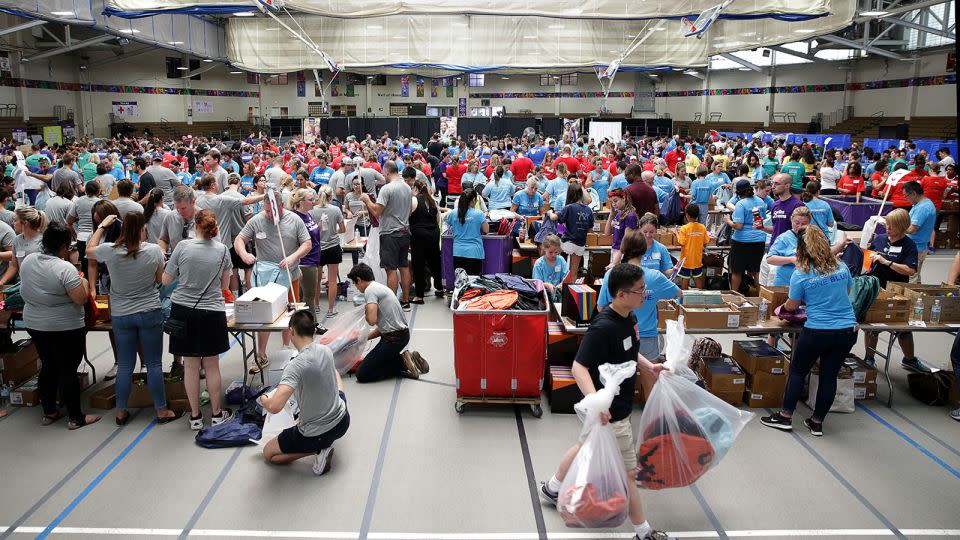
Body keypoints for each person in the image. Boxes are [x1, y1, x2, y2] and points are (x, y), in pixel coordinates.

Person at [539, 263, 670, 540]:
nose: (645, 294)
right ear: (621, 294)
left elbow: (629, 354)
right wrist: (596, 403)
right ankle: (643, 532)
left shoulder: (630, 319)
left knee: (582, 444)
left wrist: (649, 367)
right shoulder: (603, 327)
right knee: (630, 474)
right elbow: (578, 368)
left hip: (613, 409)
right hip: (610, 413)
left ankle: (552, 488)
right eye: (640, 290)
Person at [760, 226, 857, 437]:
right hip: (846, 330)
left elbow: (792, 306)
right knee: (829, 376)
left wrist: (785, 307)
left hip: (818, 330)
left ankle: (785, 416)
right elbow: (846, 292)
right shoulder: (841, 266)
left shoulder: (802, 273)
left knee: (798, 371)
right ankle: (817, 422)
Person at [88, 211, 180, 425]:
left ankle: (121, 411)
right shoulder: (154, 250)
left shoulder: (110, 251)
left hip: (121, 314)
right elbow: (160, 280)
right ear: (142, 228)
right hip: (149, 311)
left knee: (126, 365)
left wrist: (102, 226)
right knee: (154, 363)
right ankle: (161, 410)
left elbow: (89, 250)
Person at [21, 223, 100, 429]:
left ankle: (49, 412)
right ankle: (76, 417)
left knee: (47, 366)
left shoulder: (28, 261)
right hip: (64, 327)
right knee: (67, 370)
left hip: (35, 324)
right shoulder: (64, 268)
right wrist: (81, 279)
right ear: (65, 247)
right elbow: (81, 299)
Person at [162, 209, 233, 430]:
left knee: (191, 366)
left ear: (195, 226)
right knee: (212, 365)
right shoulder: (222, 251)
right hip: (212, 311)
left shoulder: (183, 247)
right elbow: (224, 286)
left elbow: (166, 280)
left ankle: (194, 417)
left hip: (184, 311)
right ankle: (217, 413)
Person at [259, 309, 349, 475]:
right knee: (336, 379)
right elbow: (330, 375)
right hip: (342, 421)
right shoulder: (326, 351)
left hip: (317, 432)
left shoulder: (295, 366)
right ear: (314, 330)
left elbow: (275, 407)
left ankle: (318, 450)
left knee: (269, 453)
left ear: (291, 331)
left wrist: (264, 399)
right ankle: (320, 438)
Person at [235, 190, 312, 373]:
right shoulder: (257, 219)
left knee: (288, 314)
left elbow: (307, 244)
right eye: (267, 211)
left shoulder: (294, 220)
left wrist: (293, 257)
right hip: (265, 277)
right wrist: (244, 253)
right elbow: (240, 239)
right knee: (264, 316)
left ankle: (286, 349)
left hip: (289, 274)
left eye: (273, 211)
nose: (269, 215)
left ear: (282, 206)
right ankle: (261, 354)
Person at [860, 209, 929, 371]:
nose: (887, 228)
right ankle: (869, 358)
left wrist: (887, 262)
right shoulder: (880, 239)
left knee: (902, 328)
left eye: (891, 226)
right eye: (887, 224)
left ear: (901, 226)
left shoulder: (909, 245)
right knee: (872, 327)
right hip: (876, 290)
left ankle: (909, 359)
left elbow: (910, 270)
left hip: (896, 292)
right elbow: (867, 261)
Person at [347, 263, 428, 382]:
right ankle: (407, 359)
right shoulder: (379, 287)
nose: (357, 288)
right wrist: (364, 338)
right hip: (399, 336)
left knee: (362, 374)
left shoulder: (370, 291)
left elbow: (372, 320)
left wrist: (366, 312)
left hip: (393, 340)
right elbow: (385, 327)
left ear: (359, 280)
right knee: (374, 362)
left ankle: (403, 363)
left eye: (355, 284)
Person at [358, 161, 413, 310]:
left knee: (391, 269)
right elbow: (408, 211)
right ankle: (406, 300)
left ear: (387, 172)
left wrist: (367, 199)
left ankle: (392, 303)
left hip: (390, 233)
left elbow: (376, 211)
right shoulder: (407, 187)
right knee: (403, 266)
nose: (383, 175)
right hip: (404, 231)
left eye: (383, 173)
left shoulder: (386, 189)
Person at [724, 180, 767, 294]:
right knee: (756, 271)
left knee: (737, 271)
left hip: (741, 241)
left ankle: (734, 295)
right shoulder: (760, 201)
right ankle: (759, 296)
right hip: (759, 239)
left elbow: (738, 226)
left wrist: (728, 221)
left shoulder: (741, 204)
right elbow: (761, 220)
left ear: (738, 193)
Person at [310, 185, 346, 318]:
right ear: (331, 197)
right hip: (333, 247)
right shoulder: (336, 210)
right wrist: (333, 231)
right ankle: (331, 309)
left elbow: (311, 231)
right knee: (332, 281)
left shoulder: (312, 211)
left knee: (317, 280)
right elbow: (342, 229)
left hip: (318, 248)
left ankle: (317, 306)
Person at [409, 177, 445, 302]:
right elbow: (437, 219)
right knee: (435, 261)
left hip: (419, 234)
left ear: (415, 189)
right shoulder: (433, 201)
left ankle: (419, 295)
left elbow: (407, 217)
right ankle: (439, 289)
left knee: (418, 264)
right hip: (434, 233)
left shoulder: (414, 200)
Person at [549, 184, 594, 283]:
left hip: (567, 242)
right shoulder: (588, 210)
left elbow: (555, 219)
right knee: (573, 273)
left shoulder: (568, 207)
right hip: (580, 244)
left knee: (560, 270)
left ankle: (558, 289)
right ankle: (571, 294)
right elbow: (590, 229)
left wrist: (550, 212)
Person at [290, 188, 323, 315]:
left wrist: (319, 227)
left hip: (313, 259)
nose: (313, 202)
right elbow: (294, 242)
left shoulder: (308, 215)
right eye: (310, 200)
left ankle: (307, 323)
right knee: (309, 296)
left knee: (307, 296)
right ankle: (311, 324)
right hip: (305, 262)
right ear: (301, 202)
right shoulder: (295, 218)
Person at [445, 188, 488, 276]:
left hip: (458, 252)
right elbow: (486, 230)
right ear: (473, 200)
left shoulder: (453, 213)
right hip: (475, 253)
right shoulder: (479, 214)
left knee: (460, 281)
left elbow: (448, 224)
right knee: (473, 283)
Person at [766, 206, 812, 287]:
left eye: (804, 224)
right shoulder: (784, 238)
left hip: (807, 282)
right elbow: (770, 259)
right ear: (791, 220)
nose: (800, 226)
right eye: (797, 223)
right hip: (786, 283)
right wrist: (791, 259)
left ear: (809, 222)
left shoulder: (813, 236)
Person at [0, 206, 46, 287]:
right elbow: (14, 266)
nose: (13, 223)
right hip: (24, 286)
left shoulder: (44, 241)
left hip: (41, 286)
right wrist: (2, 282)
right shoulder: (17, 240)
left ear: (25, 223)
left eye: (15, 220)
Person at [903, 181, 936, 283]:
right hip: (916, 246)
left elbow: (912, 229)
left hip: (916, 247)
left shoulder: (922, 208)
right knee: (915, 276)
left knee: (911, 276)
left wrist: (896, 228)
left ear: (913, 193)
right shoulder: (921, 204)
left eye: (906, 196)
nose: (905, 199)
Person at [66, 180, 102, 272]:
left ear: (85, 191)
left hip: (81, 237)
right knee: (99, 265)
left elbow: (69, 221)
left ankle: (86, 284)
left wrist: (76, 234)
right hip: (97, 237)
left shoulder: (78, 201)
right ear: (98, 191)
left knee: (85, 266)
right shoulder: (101, 203)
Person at [767, 173, 804, 248]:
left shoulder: (798, 205)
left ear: (787, 186)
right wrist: (762, 227)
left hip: (790, 248)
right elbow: (775, 228)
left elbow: (802, 230)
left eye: (777, 184)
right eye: (772, 183)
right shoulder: (775, 205)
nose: (773, 186)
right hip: (775, 247)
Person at [605, 189, 639, 269]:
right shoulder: (619, 213)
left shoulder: (630, 216)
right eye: (611, 202)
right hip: (615, 250)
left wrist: (615, 261)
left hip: (623, 253)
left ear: (623, 198)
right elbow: (607, 233)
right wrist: (611, 214)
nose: (613, 204)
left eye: (615, 201)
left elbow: (626, 241)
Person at [676, 204, 708, 290]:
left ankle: (683, 298)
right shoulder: (702, 227)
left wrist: (677, 234)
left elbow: (681, 243)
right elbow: (705, 242)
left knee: (685, 278)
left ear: (687, 215)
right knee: (697, 278)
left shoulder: (684, 228)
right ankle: (700, 295)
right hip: (697, 259)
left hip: (686, 260)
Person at [532, 234, 568, 302]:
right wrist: (547, 285)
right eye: (550, 252)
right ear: (544, 249)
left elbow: (566, 277)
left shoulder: (561, 260)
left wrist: (562, 284)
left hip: (558, 294)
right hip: (544, 295)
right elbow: (536, 282)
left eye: (556, 252)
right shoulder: (539, 264)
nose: (553, 255)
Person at [637, 213, 673, 277]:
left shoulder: (661, 248)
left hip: (656, 285)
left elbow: (665, 271)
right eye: (645, 232)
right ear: (640, 230)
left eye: (651, 232)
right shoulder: (632, 247)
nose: (648, 235)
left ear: (656, 231)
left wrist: (673, 271)